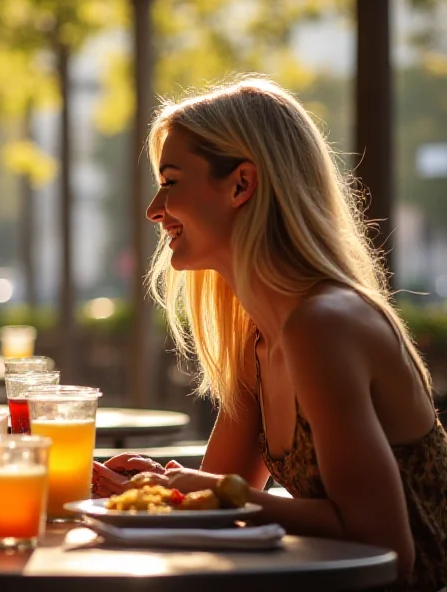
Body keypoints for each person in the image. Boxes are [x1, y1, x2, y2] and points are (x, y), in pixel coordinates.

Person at [93, 77, 447, 591]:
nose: (153, 209)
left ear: (241, 184)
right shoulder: (258, 335)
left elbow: (388, 549)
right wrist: (164, 486)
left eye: (170, 181)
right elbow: (219, 500)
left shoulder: (324, 324)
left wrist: (222, 492)